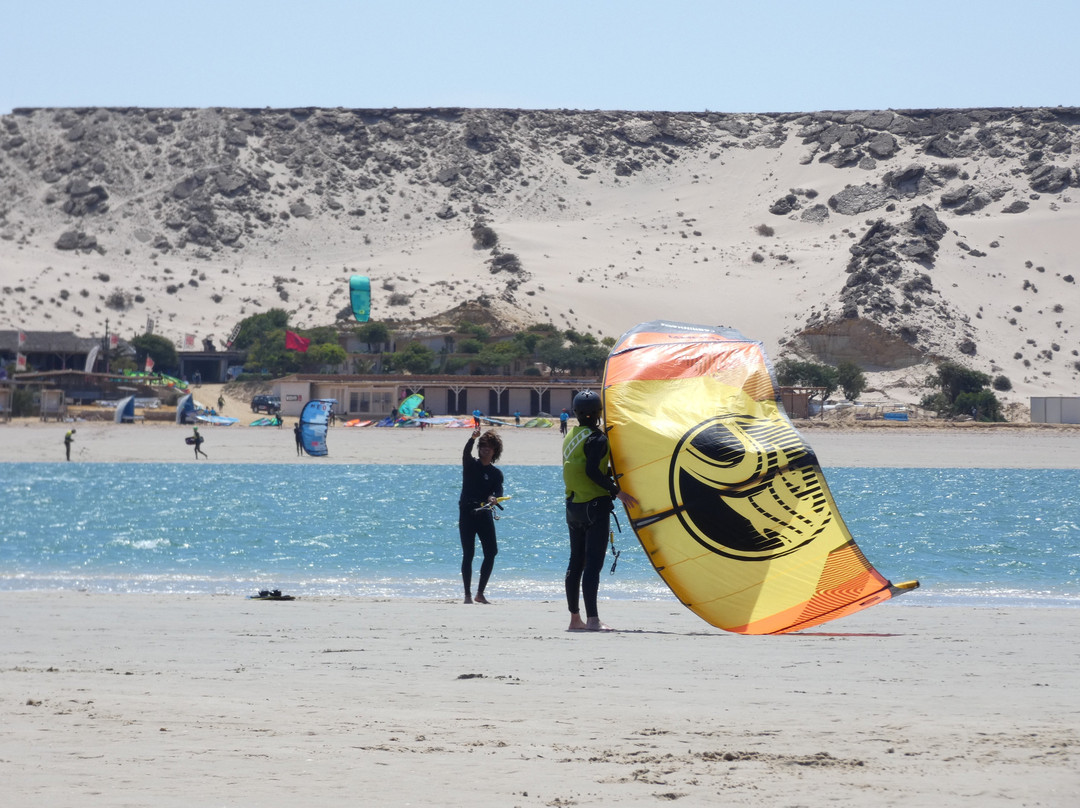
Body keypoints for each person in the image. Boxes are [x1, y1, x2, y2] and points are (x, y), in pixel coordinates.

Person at [562, 390, 637, 631]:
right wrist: (618, 492)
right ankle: (593, 620)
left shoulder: (571, 436)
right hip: (594, 507)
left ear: (576, 414)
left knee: (576, 563)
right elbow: (592, 471)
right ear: (598, 415)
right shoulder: (598, 439)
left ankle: (575, 620)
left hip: (573, 507)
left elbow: (582, 467)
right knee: (593, 565)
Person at [458, 427, 504, 604]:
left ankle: (480, 593)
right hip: (467, 513)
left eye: (489, 446)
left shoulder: (496, 474)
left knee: (491, 552)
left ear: (494, 451)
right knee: (468, 553)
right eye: (483, 445)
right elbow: (465, 453)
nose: (485, 448)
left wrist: (493, 498)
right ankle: (467, 595)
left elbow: (498, 492)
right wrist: (472, 438)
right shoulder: (470, 465)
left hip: (484, 514)